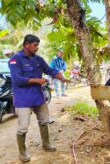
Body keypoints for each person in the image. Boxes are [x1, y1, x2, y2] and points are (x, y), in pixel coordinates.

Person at [8, 34, 69, 162]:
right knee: (23, 126)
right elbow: (17, 79)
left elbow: (49, 70)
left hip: (38, 97)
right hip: (23, 98)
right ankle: (22, 152)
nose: (37, 48)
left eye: (38, 45)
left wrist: (61, 77)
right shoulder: (15, 59)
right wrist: (37, 80)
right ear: (26, 45)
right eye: (35, 45)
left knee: (44, 120)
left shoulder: (38, 59)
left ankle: (46, 144)